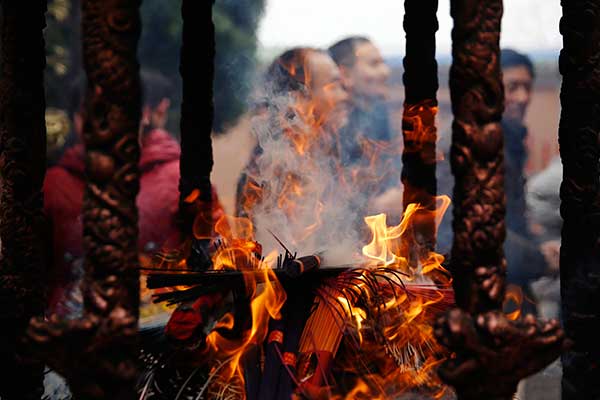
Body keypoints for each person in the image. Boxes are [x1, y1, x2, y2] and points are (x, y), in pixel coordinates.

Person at [44, 70, 225, 316]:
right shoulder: (53, 186)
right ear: (77, 120)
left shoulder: (183, 178)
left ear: (145, 114)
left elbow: (219, 258)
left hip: (161, 335)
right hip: (71, 336)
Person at [436, 49, 547, 294]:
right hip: (470, 288)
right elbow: (480, 231)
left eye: (527, 87)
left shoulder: (507, 140)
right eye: (513, 87)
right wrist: (540, 258)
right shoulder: (473, 144)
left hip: (502, 279)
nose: (522, 97)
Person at [328, 37, 402, 218]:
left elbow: (387, 170)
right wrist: (372, 209)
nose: (385, 71)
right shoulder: (326, 121)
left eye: (383, 63)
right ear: (345, 74)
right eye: (374, 64)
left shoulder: (377, 110)